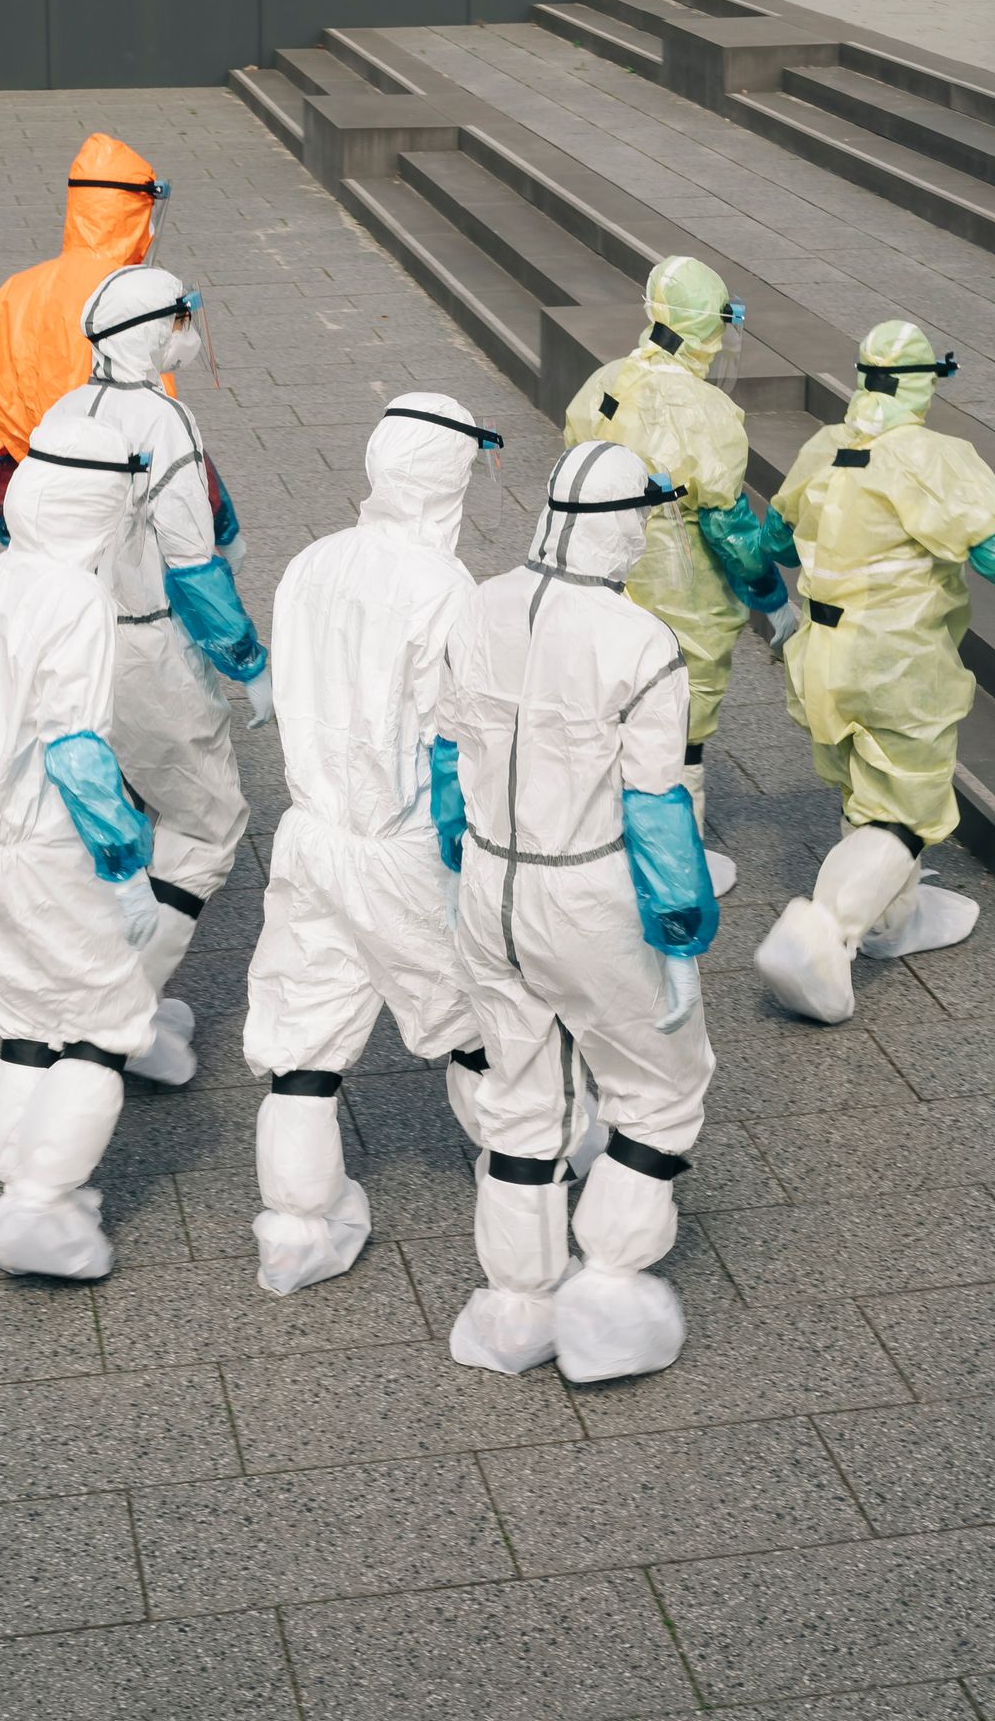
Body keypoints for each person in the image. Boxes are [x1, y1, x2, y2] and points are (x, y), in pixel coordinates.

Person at [436, 441, 718, 1385]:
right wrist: (681, 933)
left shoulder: (479, 603)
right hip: (586, 889)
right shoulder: (639, 640)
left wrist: (458, 864)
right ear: (622, 523)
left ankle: (515, 1309)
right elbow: (654, 806)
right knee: (660, 1086)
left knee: (521, 1093)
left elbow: (443, 756)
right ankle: (607, 1296)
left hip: (489, 884)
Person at [748, 321, 995, 1026]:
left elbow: (774, 538)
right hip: (895, 661)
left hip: (820, 657)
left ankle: (898, 920)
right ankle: (823, 933)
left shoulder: (825, 447)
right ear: (925, 381)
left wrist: (769, 597)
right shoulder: (935, 456)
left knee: (864, 782)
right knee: (907, 810)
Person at [0, 410, 198, 1284]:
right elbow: (76, 750)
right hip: (41, 852)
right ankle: (37, 1203)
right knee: (106, 1025)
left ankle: (27, 1187)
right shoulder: (74, 596)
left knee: (26, 1020)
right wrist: (123, 865)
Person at [243, 396, 505, 1296]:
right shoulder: (446, 589)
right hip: (402, 849)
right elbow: (458, 739)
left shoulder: (313, 562)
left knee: (302, 1032)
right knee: (477, 1027)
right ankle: (529, 1189)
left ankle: (296, 1228)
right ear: (453, 480)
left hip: (313, 834)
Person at [48, 265, 271, 968]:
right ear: (150, 333)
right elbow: (191, 563)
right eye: (180, 320)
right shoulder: (162, 418)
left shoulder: (65, 411)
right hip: (144, 646)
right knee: (207, 826)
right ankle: (126, 1011)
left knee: (113, 808)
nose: (188, 334)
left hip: (69, 640)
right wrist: (249, 662)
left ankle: (87, 967)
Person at [565, 256, 785, 901]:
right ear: (709, 328)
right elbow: (726, 524)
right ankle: (672, 864)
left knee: (611, 709)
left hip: (602, 567)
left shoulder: (607, 382)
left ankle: (603, 843)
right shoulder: (708, 410)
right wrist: (770, 594)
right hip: (677, 580)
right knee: (680, 721)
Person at [0, 134, 243, 565]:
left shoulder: (13, 292)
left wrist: (9, 519)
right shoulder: (131, 306)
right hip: (110, 497)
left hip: (26, 485)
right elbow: (160, 424)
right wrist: (222, 524)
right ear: (135, 212)